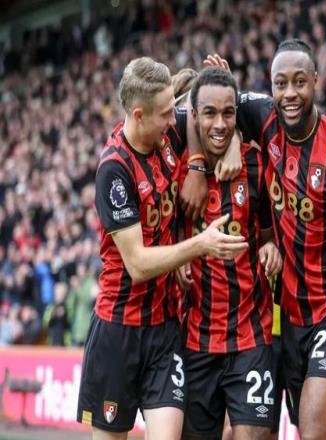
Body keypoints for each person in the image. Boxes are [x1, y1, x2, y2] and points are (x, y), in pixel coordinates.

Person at [205, 39, 326, 439]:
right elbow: (201, 110)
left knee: (312, 431)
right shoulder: (262, 117)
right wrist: (221, 149)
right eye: (281, 84)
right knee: (323, 432)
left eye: (299, 82)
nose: (290, 93)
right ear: (271, 86)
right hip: (291, 318)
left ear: (316, 80)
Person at [76, 57, 248, 440]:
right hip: (118, 331)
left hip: (165, 329)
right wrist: (198, 245)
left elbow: (210, 118)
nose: (175, 120)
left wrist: (225, 148)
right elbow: (137, 264)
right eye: (166, 114)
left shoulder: (166, 135)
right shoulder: (114, 170)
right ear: (139, 115)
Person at [176, 67, 282, 440]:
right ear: (194, 116)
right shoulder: (177, 167)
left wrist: (270, 247)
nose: (220, 124)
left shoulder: (256, 164)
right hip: (195, 340)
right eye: (210, 113)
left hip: (251, 336)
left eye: (228, 114)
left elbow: (268, 234)